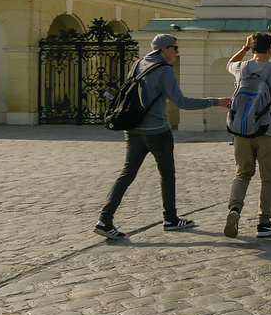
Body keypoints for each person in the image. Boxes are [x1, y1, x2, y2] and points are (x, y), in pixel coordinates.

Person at [94, 33, 229, 240]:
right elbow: (181, 101)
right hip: (157, 131)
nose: (177, 52)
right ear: (164, 49)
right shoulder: (165, 70)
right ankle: (171, 219)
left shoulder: (139, 63)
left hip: (133, 129)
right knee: (167, 174)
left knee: (127, 174)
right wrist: (215, 101)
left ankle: (105, 220)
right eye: (175, 48)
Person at [224, 33, 271, 239]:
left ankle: (234, 210)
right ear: (270, 50)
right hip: (268, 131)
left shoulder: (241, 68)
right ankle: (264, 223)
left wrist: (244, 49)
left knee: (242, 174)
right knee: (268, 179)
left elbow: (229, 63)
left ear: (252, 48)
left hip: (242, 131)